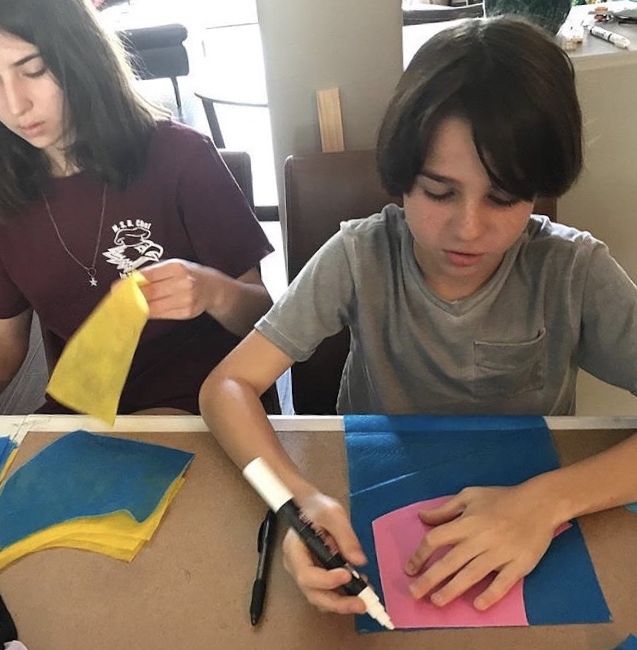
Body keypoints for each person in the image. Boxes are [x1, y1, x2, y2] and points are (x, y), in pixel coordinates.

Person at [200, 16, 637, 617]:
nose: (468, 228)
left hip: (532, 513)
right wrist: (295, 501)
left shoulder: (573, 271)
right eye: (439, 192)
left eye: (504, 198)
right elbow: (226, 386)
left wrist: (548, 501)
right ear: (402, 180)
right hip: (375, 495)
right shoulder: (359, 255)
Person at [0, 0, 274, 416]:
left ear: (80, 55)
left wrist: (212, 290)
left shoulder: (180, 157)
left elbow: (261, 313)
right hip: (89, 418)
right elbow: (3, 345)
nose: (15, 103)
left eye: (34, 69)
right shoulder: (1, 193)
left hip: (205, 408)